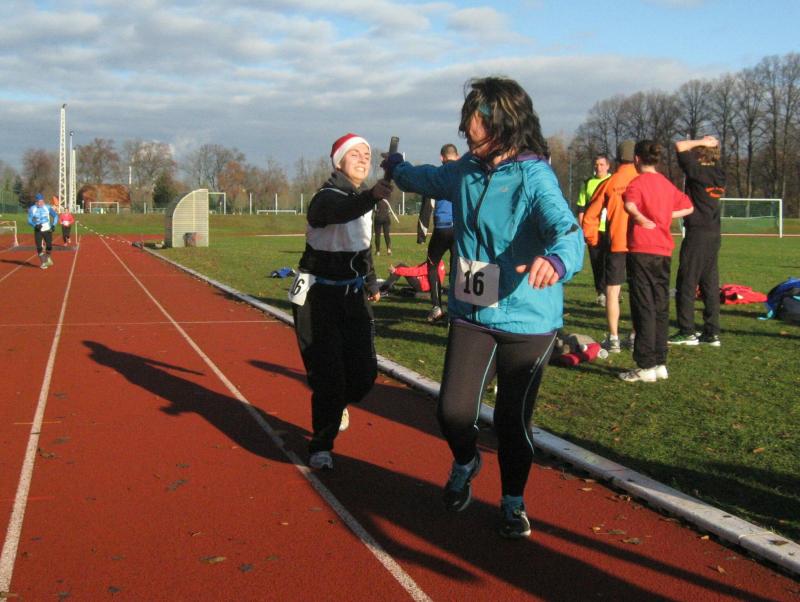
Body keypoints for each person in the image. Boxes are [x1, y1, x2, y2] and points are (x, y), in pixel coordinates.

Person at [386, 77, 584, 539]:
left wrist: (556, 260)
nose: (468, 131)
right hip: (473, 312)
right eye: (468, 121)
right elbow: (425, 178)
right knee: (452, 412)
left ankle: (513, 500)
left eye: (478, 121)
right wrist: (397, 168)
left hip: (527, 318)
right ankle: (465, 461)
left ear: (506, 123)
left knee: (513, 422)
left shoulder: (534, 176)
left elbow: (566, 229)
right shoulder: (466, 170)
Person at [290, 133, 392, 471]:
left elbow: (362, 247)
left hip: (352, 294)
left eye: (367, 154)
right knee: (328, 377)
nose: (363, 159)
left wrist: (371, 281)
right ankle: (321, 445)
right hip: (317, 297)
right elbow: (340, 212)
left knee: (365, 375)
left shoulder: (362, 201)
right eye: (355, 154)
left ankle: (336, 405)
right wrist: (371, 197)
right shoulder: (325, 197)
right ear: (338, 162)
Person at [621, 140, 693, 383]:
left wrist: (641, 218)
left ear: (637, 159)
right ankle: (661, 362)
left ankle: (645, 365)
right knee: (661, 305)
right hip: (663, 251)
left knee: (643, 306)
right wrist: (665, 216)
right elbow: (688, 207)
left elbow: (629, 204)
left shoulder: (637, 182)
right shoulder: (665, 183)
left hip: (642, 249)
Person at [670, 135, 726, 347]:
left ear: (701, 153)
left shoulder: (696, 171)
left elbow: (680, 145)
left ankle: (687, 331)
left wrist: (701, 141)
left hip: (697, 234)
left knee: (686, 282)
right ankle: (712, 332)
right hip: (714, 233)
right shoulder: (720, 173)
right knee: (709, 284)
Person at [582, 140, 638, 353]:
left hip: (616, 243)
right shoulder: (643, 179)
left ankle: (613, 338)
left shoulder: (611, 182)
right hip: (640, 245)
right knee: (638, 290)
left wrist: (592, 239)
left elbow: (590, 215)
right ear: (636, 158)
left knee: (612, 291)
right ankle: (634, 335)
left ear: (616, 159)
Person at [417, 144, 460, 322]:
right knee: (457, 268)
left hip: (442, 228)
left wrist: (421, 233)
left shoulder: (437, 175)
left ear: (442, 158)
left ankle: (436, 307)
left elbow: (427, 206)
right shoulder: (463, 174)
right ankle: (456, 309)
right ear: (457, 156)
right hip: (459, 228)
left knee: (432, 265)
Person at [576, 155, 612, 306]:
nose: (599, 167)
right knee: (597, 262)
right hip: (593, 230)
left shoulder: (613, 181)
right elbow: (581, 207)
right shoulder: (588, 183)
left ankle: (612, 291)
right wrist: (583, 227)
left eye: (602, 164)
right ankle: (601, 293)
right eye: (596, 164)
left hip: (610, 228)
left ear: (608, 166)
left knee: (610, 261)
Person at [27, 193, 59, 269]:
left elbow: (55, 216)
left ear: (43, 201)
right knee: (39, 247)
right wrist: (35, 225)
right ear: (36, 202)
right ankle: (43, 262)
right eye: (38, 202)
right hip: (38, 230)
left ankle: (47, 257)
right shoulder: (32, 209)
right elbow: (29, 220)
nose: (40, 203)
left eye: (41, 201)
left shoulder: (47, 207)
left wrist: (53, 225)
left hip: (47, 230)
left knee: (49, 246)